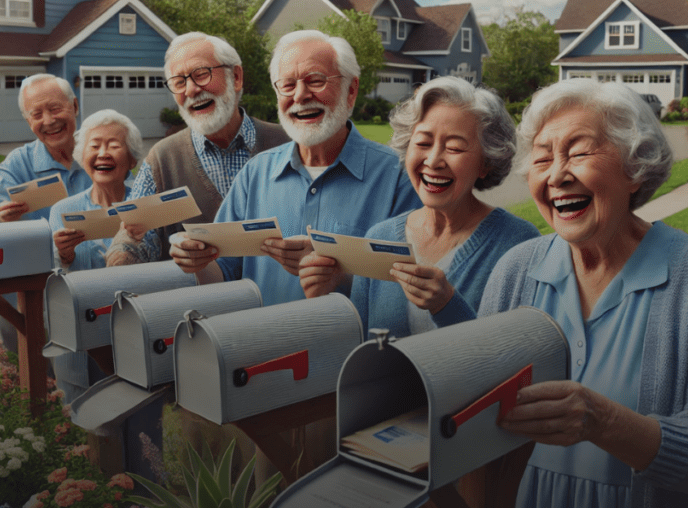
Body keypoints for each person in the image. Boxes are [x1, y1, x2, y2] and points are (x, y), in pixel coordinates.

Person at [475, 78, 688, 508]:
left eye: (579, 152)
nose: (556, 174)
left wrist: (603, 421)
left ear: (634, 166)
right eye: (543, 158)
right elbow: (472, 409)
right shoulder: (515, 270)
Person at [169, 30, 421, 306]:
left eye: (316, 80)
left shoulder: (398, 177)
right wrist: (197, 261)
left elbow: (411, 294)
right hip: (270, 345)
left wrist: (339, 279)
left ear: (351, 90)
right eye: (287, 85)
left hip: (352, 348)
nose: (300, 95)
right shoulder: (255, 174)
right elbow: (224, 273)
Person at [298, 76, 539, 337]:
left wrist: (448, 307)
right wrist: (328, 297)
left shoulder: (519, 246)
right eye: (423, 143)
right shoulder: (380, 236)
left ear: (486, 163)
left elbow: (517, 359)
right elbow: (360, 351)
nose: (433, 160)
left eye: (455, 148)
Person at [105, 32, 290, 265]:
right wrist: (122, 256)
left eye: (201, 74)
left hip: (281, 298)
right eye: (179, 82)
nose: (191, 90)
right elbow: (137, 234)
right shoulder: (163, 159)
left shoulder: (288, 144)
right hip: (199, 299)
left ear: (236, 77)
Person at [0, 74, 93, 224]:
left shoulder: (101, 152)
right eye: (37, 115)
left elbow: (130, 203)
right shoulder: (18, 164)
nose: (49, 121)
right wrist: (0, 217)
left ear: (75, 106)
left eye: (55, 109)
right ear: (29, 121)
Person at [48, 109, 147, 272]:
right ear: (82, 156)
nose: (103, 154)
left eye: (114, 146)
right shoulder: (62, 211)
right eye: (94, 146)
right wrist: (64, 256)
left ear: (132, 160)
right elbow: (54, 277)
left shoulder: (145, 205)